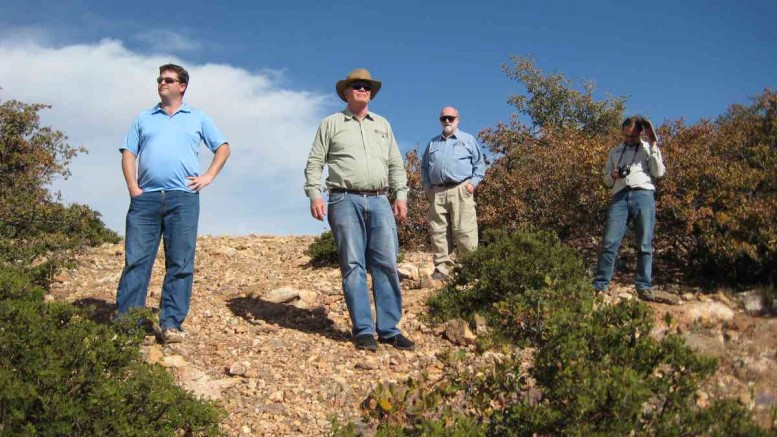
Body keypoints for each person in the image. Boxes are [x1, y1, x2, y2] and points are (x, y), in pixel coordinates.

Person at [116, 64, 231, 343]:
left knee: (180, 262)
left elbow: (223, 147)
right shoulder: (144, 117)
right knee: (137, 261)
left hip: (183, 198)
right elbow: (129, 152)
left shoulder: (197, 117)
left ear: (182, 86)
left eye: (168, 80)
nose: (162, 83)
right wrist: (133, 187)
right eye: (159, 79)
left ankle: (171, 324)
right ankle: (127, 327)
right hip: (146, 200)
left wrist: (208, 176)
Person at [304, 68, 414, 352]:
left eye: (366, 86)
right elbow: (315, 162)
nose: (362, 89)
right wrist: (315, 194)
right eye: (356, 85)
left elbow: (395, 166)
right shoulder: (331, 123)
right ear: (346, 91)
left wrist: (400, 195)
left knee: (387, 263)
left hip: (380, 201)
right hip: (343, 199)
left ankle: (389, 330)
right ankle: (363, 330)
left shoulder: (383, 125)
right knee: (352, 265)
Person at [592, 115, 677, 304]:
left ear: (640, 133)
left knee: (644, 244)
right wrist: (612, 175)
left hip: (643, 195)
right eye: (626, 136)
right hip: (620, 195)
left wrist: (654, 145)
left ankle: (643, 287)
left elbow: (658, 173)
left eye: (633, 136)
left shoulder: (648, 148)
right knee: (609, 241)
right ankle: (600, 285)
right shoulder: (615, 152)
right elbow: (605, 181)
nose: (629, 139)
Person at [421, 107, 486, 281]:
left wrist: (472, 184)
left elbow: (479, 165)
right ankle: (443, 269)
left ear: (458, 119)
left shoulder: (468, 140)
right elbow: (425, 167)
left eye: (450, 118)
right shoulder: (433, 143)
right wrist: (428, 187)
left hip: (461, 189)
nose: (447, 121)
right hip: (437, 191)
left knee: (465, 230)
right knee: (438, 231)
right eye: (443, 118)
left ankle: (470, 268)